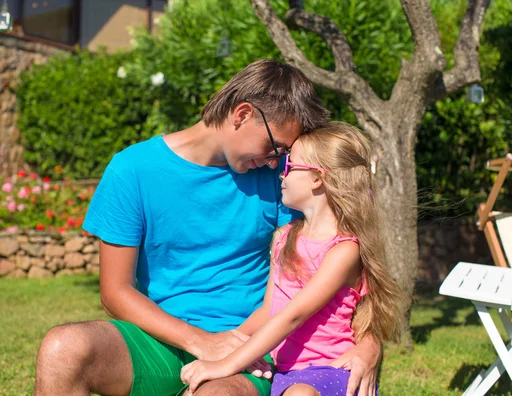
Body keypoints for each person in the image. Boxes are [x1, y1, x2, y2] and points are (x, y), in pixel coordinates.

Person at [34, 60, 382, 396]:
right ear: (242, 114)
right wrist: (200, 341)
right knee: (61, 350)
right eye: (274, 146)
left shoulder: (285, 181)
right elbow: (115, 292)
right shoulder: (131, 170)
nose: (277, 161)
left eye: (286, 154)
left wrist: (370, 345)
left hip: (249, 350)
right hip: (159, 342)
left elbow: (334, 277)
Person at [180, 122, 408, 396]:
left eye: (288, 165)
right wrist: (227, 347)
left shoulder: (344, 250)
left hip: (333, 371)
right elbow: (269, 311)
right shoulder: (284, 238)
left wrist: (226, 365)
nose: (280, 174)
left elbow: (293, 316)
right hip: (288, 375)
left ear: (317, 178)